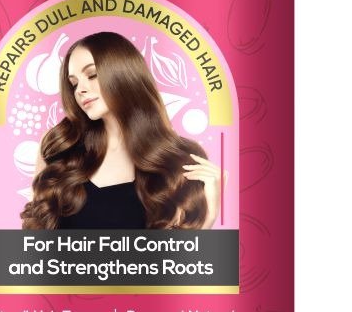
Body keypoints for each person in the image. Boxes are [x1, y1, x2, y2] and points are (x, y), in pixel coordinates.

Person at [21, 30, 223, 230]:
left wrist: (207, 219)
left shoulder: (179, 160)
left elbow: (179, 251)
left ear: (124, 74)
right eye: (73, 84)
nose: (80, 90)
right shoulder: (58, 147)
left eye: (92, 75)